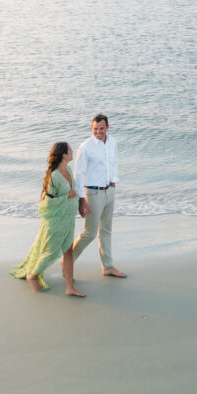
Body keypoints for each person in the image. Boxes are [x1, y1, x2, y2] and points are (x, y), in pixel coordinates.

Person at [11, 141, 85, 296]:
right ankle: (33, 276)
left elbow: (74, 191)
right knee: (51, 252)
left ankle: (70, 287)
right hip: (56, 221)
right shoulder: (54, 176)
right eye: (70, 150)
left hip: (69, 219)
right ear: (64, 155)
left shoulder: (69, 170)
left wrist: (81, 204)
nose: (73, 152)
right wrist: (67, 196)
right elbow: (47, 202)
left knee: (68, 252)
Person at [72, 113, 127, 278]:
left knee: (106, 230)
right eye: (95, 129)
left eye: (101, 128)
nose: (98, 132)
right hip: (93, 193)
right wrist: (82, 201)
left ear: (107, 127)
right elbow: (78, 175)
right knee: (89, 233)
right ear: (92, 128)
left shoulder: (113, 142)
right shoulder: (86, 147)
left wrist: (114, 181)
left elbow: (114, 162)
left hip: (109, 191)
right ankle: (67, 261)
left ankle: (108, 266)